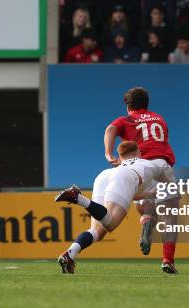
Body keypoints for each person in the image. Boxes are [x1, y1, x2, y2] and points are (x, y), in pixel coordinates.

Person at [55, 141, 175, 274]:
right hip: (126, 176)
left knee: (97, 231)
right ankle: (78, 198)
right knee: (110, 224)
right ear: (138, 153)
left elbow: (126, 193)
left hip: (104, 176)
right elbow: (168, 178)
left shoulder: (120, 166)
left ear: (120, 157)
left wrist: (146, 194)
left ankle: (69, 254)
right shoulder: (150, 163)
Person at [102, 87, 180, 273]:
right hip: (163, 164)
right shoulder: (159, 118)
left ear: (128, 106)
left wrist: (108, 153)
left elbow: (111, 128)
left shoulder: (126, 120)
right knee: (170, 217)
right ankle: (167, 260)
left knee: (141, 199)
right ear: (147, 104)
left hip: (142, 165)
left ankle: (146, 221)